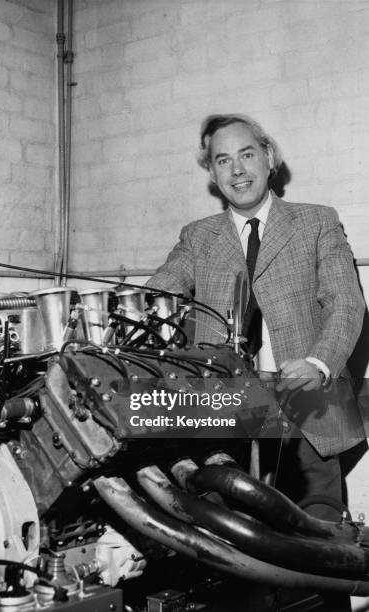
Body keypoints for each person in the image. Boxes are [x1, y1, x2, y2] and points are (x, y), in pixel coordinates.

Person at [146, 113, 366, 523]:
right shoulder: (197, 236)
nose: (237, 169)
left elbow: (346, 304)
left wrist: (318, 364)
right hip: (224, 408)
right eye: (223, 160)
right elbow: (160, 290)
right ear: (212, 173)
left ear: (268, 157)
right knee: (227, 532)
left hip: (311, 398)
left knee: (318, 533)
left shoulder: (317, 221)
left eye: (246, 154)